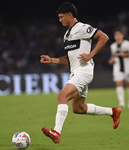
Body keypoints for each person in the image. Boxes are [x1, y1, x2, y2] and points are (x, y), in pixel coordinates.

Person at [40, 2, 122, 144]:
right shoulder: (66, 35)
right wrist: (51, 60)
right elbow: (70, 59)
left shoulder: (82, 28)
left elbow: (104, 37)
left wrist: (91, 54)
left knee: (62, 96)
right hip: (75, 71)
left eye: (61, 17)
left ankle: (56, 132)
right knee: (78, 108)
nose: (60, 20)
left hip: (84, 71)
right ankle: (113, 112)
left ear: (69, 15)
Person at [108, 28, 129, 109]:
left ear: (122, 35)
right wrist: (111, 60)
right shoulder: (113, 46)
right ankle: (121, 102)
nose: (118, 36)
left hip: (127, 67)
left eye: (119, 34)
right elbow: (113, 55)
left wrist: (125, 54)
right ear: (114, 36)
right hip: (117, 67)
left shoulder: (128, 44)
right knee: (118, 83)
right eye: (116, 35)